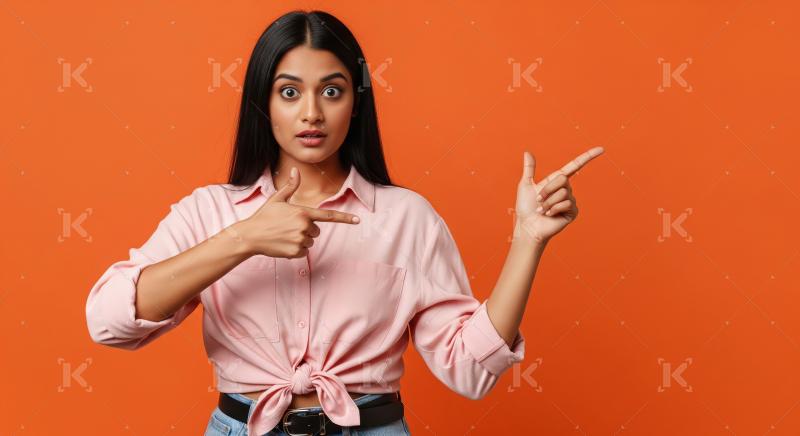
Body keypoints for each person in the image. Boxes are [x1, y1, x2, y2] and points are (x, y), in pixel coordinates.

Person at [84, 9, 603, 436]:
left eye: (331, 91)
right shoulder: (210, 211)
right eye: (289, 92)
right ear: (263, 104)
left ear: (355, 103)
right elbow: (108, 321)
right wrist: (243, 239)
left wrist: (527, 240)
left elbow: (468, 371)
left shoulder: (406, 218)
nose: (311, 112)